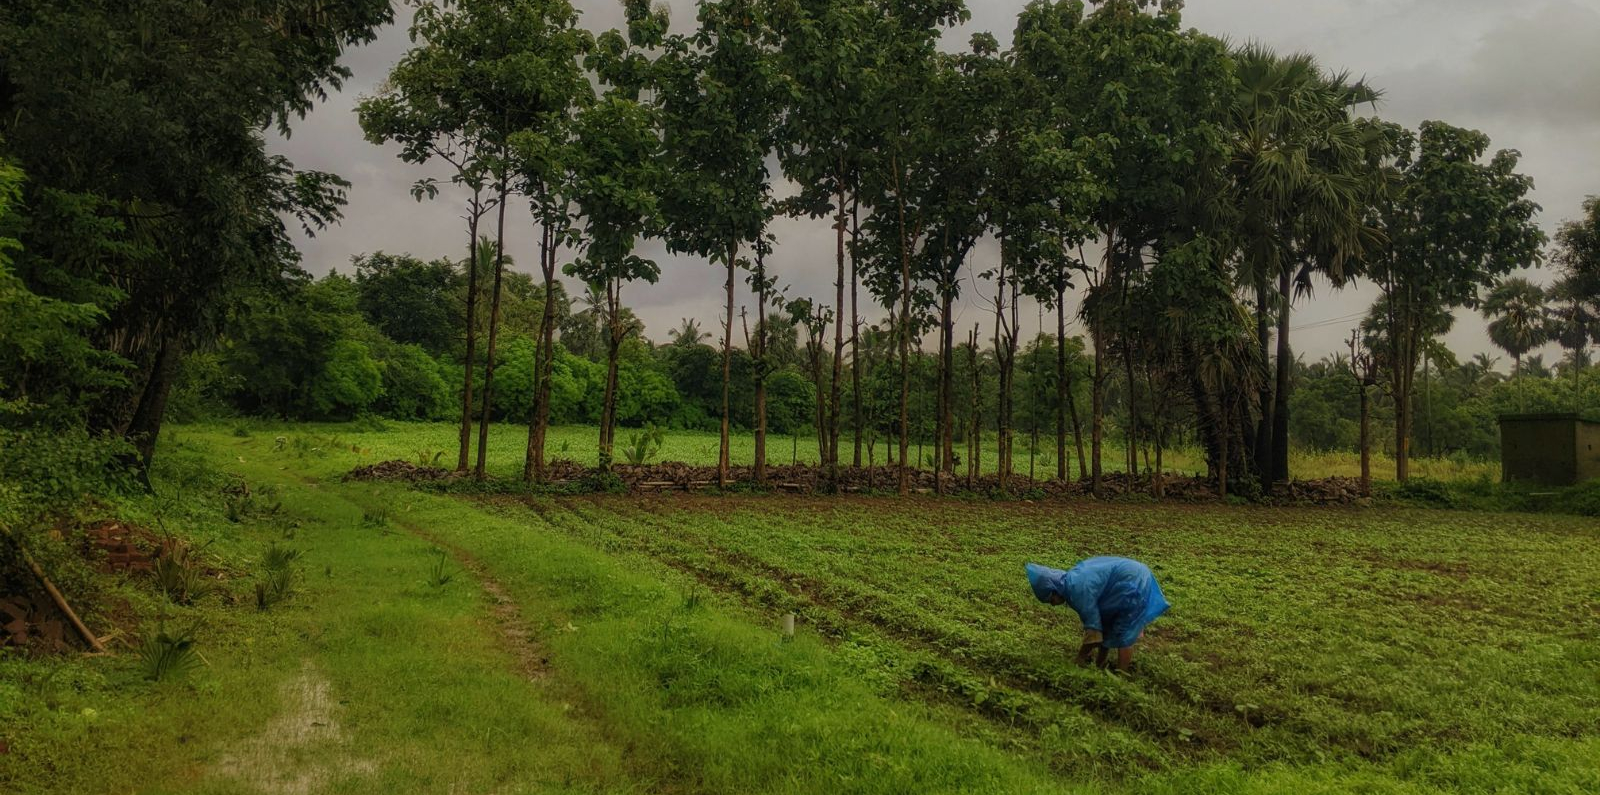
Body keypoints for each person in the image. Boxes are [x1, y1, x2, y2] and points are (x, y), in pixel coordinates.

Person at [1025, 557, 1169, 672]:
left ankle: (1121, 675)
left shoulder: (1077, 590)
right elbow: (1100, 627)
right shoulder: (1073, 580)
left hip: (1131, 581)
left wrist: (1079, 658)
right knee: (1108, 624)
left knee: (1124, 629)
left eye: (1051, 600)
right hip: (1132, 573)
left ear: (1054, 590)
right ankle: (1100, 665)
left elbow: (1093, 633)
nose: (1053, 604)